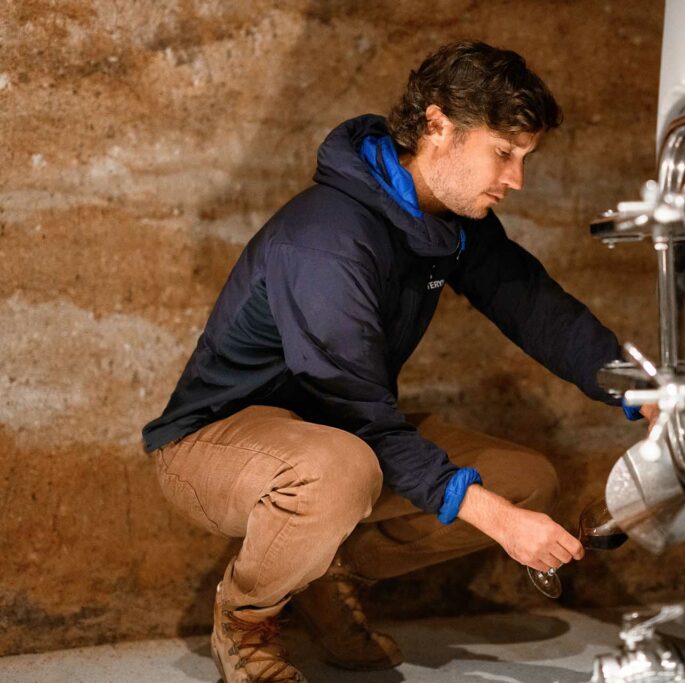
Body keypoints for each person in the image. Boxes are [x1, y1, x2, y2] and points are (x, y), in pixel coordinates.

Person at [142, 40, 652, 683]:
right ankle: (245, 621)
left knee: (524, 480)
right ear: (438, 126)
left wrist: (642, 391)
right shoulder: (327, 239)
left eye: (526, 157)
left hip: (333, 433)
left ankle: (321, 575)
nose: (517, 179)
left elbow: (535, 308)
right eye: (503, 153)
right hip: (213, 443)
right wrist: (498, 523)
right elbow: (358, 416)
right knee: (343, 470)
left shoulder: (451, 220)